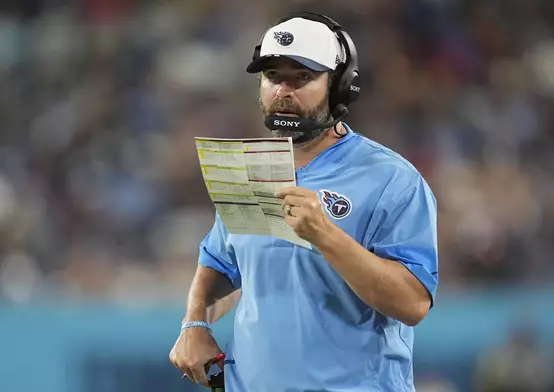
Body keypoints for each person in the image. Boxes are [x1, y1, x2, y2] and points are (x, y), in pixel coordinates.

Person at [169, 12, 439, 392]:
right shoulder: (252, 168)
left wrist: (326, 235)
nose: (283, 90)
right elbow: (219, 264)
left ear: (340, 86)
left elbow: (412, 305)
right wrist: (195, 322)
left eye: (303, 78)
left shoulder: (392, 179)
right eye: (273, 77)